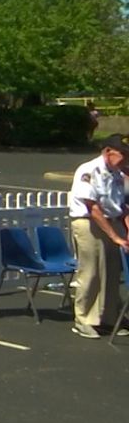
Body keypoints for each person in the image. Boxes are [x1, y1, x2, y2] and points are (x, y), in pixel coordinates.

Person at [66, 134, 129, 339]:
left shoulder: (118, 174)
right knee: (91, 271)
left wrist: (124, 231)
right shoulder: (89, 170)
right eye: (123, 154)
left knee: (112, 273)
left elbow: (120, 208)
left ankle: (109, 319)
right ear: (108, 151)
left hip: (112, 221)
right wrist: (115, 236)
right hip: (89, 223)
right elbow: (92, 207)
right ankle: (83, 319)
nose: (126, 159)